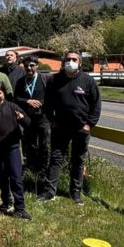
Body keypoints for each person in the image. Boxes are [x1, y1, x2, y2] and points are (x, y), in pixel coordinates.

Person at [39, 51, 101, 206]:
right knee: (56, 159)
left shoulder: (88, 81)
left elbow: (96, 104)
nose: (71, 62)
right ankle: (49, 192)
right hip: (60, 128)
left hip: (80, 129)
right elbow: (47, 103)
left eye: (74, 59)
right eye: (68, 59)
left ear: (80, 63)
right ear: (63, 62)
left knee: (77, 160)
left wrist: (89, 125)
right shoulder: (54, 80)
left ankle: (75, 193)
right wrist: (52, 120)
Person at [0, 82, 31, 220]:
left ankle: (20, 208)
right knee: (3, 178)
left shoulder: (12, 107)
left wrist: (22, 119)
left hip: (13, 148)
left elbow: (28, 122)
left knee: (16, 178)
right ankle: (6, 202)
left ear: (4, 94)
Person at [13, 55, 50, 191]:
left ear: (37, 66)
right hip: (27, 119)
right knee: (29, 145)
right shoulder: (20, 82)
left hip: (43, 119)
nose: (29, 68)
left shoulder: (45, 80)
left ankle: (43, 173)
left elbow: (52, 97)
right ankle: (30, 170)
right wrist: (27, 101)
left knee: (44, 145)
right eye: (27, 66)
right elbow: (16, 98)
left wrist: (41, 104)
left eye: (32, 65)